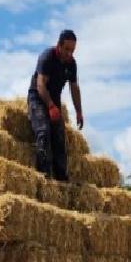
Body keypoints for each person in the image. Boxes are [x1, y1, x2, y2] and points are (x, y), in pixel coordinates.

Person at [27, 29, 84, 181]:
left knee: (59, 137)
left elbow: (74, 88)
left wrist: (79, 112)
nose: (69, 54)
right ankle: (44, 176)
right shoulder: (47, 57)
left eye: (72, 50)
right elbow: (40, 85)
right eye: (67, 49)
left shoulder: (72, 64)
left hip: (54, 99)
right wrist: (50, 106)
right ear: (58, 45)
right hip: (38, 97)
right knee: (43, 131)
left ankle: (61, 179)